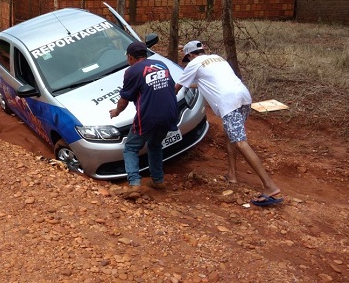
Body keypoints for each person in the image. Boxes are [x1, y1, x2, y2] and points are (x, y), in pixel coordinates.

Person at [175, 40, 283, 207]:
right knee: (230, 135)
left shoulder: (193, 63)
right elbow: (208, 81)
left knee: (240, 142)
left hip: (229, 103)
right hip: (244, 97)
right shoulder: (217, 58)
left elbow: (178, 87)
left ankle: (269, 186)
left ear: (189, 55)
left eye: (187, 58)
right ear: (203, 50)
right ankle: (232, 174)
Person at [109, 41, 178, 199]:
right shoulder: (161, 64)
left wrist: (116, 112)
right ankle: (158, 180)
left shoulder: (132, 71)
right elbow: (171, 87)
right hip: (170, 113)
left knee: (131, 147)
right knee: (154, 144)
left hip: (148, 117)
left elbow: (124, 100)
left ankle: (134, 184)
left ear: (131, 57)